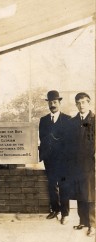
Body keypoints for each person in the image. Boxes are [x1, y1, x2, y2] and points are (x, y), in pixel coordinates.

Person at [39, 90, 71, 224]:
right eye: (50, 102)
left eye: (55, 102)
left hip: (63, 160)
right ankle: (55, 210)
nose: (52, 104)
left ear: (59, 103)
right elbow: (42, 138)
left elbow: (70, 140)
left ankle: (65, 214)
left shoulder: (68, 119)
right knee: (52, 185)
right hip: (49, 160)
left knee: (64, 186)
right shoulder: (44, 120)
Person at [67, 92, 95, 236]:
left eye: (84, 102)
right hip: (76, 165)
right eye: (78, 102)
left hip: (91, 165)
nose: (81, 105)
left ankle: (93, 225)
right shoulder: (73, 121)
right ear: (76, 104)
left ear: (89, 103)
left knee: (90, 194)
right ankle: (83, 221)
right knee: (80, 193)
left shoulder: (94, 119)